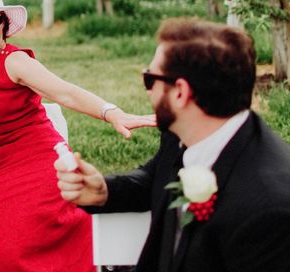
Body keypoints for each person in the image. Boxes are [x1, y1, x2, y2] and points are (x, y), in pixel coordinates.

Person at [0, 0, 155, 271]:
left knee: (23, 231)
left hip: (41, 155)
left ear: (5, 24)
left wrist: (111, 112)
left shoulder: (15, 61)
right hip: (4, 162)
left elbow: (64, 92)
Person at [55, 18, 290, 272]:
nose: (148, 91)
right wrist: (104, 192)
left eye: (150, 79)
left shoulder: (270, 209)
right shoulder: (181, 135)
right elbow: (154, 179)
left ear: (180, 92)